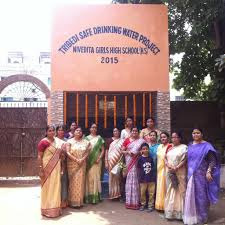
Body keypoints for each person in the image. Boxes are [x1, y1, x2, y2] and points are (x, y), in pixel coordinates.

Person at [183, 128, 220, 225]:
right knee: (191, 196)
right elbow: (187, 160)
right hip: (191, 175)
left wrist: (209, 171)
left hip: (202, 176)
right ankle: (192, 217)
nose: (195, 135)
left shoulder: (207, 146)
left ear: (202, 134)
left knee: (202, 196)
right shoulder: (190, 145)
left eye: (197, 133)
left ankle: (202, 217)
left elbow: (212, 160)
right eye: (194, 133)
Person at [37, 125, 63, 218]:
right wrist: (40, 169)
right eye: (50, 131)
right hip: (46, 168)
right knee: (47, 188)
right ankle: (46, 209)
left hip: (56, 168)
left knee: (56, 187)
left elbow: (60, 156)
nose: (52, 132)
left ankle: (55, 209)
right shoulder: (43, 142)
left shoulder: (57, 142)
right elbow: (39, 156)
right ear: (46, 132)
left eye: (53, 131)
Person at [164, 131, 187, 220]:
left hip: (180, 172)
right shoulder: (170, 148)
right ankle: (170, 213)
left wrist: (177, 167)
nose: (174, 139)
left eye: (176, 137)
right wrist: (169, 166)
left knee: (180, 191)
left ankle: (180, 213)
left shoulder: (184, 147)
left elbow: (185, 159)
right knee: (171, 191)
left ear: (180, 138)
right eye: (172, 137)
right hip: (170, 172)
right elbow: (165, 158)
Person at [121, 126, 145, 209]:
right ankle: (129, 201)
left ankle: (136, 201)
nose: (134, 132)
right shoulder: (127, 140)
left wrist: (137, 153)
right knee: (129, 179)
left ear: (138, 132)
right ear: (130, 132)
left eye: (136, 131)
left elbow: (144, 151)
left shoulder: (141, 141)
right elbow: (122, 150)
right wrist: (128, 152)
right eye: (133, 131)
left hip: (137, 162)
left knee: (137, 180)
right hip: (129, 161)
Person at [67, 126, 90, 208]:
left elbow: (87, 152)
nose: (78, 132)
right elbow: (68, 152)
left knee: (80, 183)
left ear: (82, 133)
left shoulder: (86, 142)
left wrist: (82, 159)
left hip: (82, 165)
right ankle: (72, 202)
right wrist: (76, 160)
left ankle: (79, 202)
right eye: (77, 130)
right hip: (72, 164)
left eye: (80, 131)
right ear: (74, 132)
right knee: (73, 183)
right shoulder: (69, 141)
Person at [85, 123, 105, 204]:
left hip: (97, 161)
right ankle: (89, 197)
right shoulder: (86, 138)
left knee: (96, 178)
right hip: (89, 161)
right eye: (92, 127)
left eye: (95, 127)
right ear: (90, 129)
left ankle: (96, 197)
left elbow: (103, 150)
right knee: (89, 178)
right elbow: (85, 149)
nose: (94, 129)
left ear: (96, 129)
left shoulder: (99, 138)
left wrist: (99, 158)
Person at [155, 131, 172, 211]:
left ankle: (166, 206)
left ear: (168, 138)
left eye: (164, 137)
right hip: (159, 169)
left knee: (166, 187)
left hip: (166, 169)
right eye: (161, 137)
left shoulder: (170, 146)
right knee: (160, 187)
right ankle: (159, 205)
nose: (163, 139)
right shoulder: (159, 146)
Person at [105, 128, 124, 200]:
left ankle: (118, 195)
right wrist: (106, 161)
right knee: (111, 177)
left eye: (117, 131)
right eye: (114, 131)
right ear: (112, 132)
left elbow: (123, 151)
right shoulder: (109, 140)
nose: (116, 132)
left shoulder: (122, 141)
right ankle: (112, 194)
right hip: (111, 161)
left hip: (119, 161)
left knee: (118, 178)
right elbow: (106, 151)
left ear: (119, 132)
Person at [137, 143, 155, 212]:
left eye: (146, 149)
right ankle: (143, 204)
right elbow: (138, 168)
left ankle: (150, 205)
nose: (145, 150)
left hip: (151, 179)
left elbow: (153, 168)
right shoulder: (140, 159)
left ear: (148, 149)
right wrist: (140, 177)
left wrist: (153, 177)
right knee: (142, 193)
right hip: (143, 179)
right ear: (141, 150)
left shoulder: (151, 158)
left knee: (151, 193)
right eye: (143, 149)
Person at [55, 125, 68, 208]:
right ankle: (55, 201)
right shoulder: (54, 140)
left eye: (62, 130)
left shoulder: (67, 141)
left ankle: (63, 201)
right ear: (57, 131)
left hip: (65, 164)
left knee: (64, 182)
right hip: (55, 164)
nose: (61, 131)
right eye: (59, 130)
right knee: (56, 182)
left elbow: (69, 152)